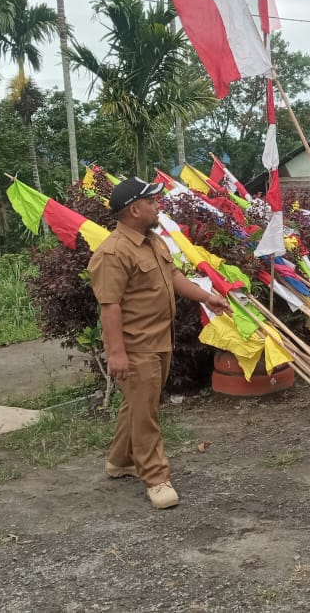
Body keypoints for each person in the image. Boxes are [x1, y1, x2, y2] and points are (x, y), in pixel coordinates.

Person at [89, 177, 228, 509]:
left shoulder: (153, 242)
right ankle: (155, 477)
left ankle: (119, 461)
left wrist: (207, 297)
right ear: (135, 209)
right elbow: (109, 307)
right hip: (136, 346)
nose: (157, 206)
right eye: (152, 202)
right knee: (146, 411)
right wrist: (117, 354)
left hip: (159, 340)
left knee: (138, 404)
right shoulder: (113, 252)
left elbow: (174, 277)